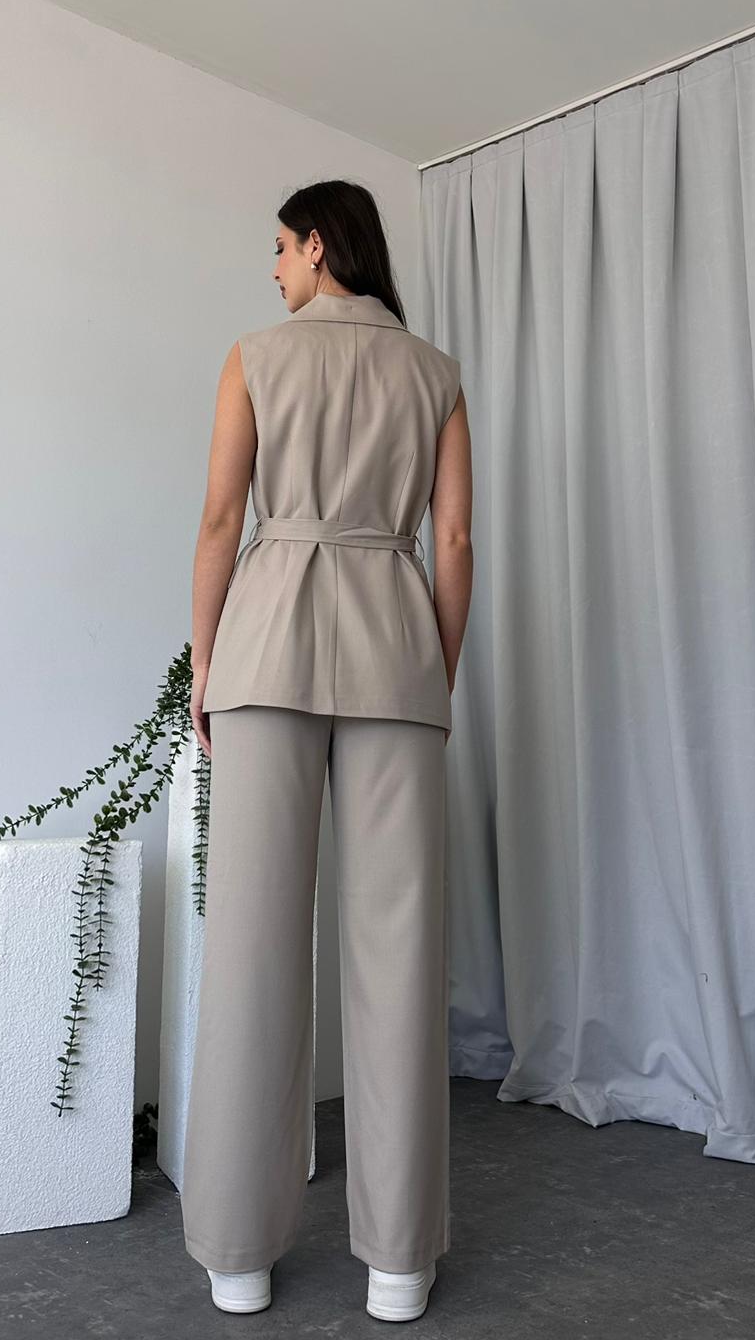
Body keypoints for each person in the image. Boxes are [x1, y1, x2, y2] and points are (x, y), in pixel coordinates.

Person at [181, 179, 473, 1321]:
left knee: (253, 942)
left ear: (316, 244)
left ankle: (237, 1255)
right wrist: (435, 667)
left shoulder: (257, 357)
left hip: (266, 654)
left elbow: (222, 520)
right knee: (399, 949)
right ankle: (399, 1264)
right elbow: (453, 537)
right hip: (397, 651)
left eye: (278, 248)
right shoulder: (435, 372)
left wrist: (207, 665)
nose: (272, 270)